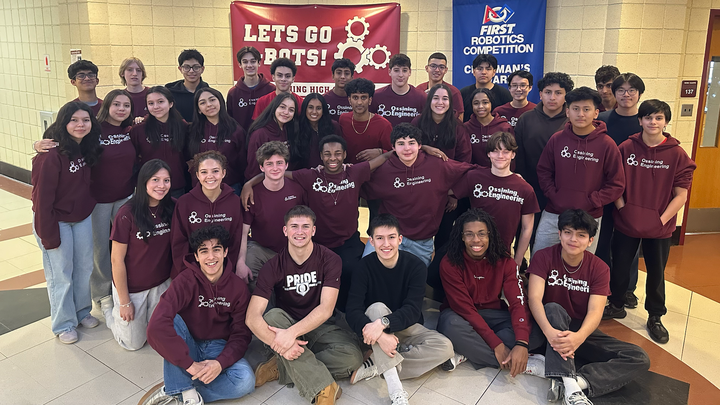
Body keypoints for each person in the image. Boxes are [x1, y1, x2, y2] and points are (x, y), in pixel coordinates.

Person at [240, 135, 392, 310]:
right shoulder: (310, 175)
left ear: (344, 155)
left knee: (351, 270)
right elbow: (274, 173)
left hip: (347, 241)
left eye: (337, 153)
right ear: (321, 156)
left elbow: (383, 158)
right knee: (314, 277)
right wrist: (249, 183)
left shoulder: (354, 172)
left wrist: (396, 150)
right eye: (327, 154)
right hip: (318, 242)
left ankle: (346, 312)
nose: (332, 158)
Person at [527, 209, 650, 405]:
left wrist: (579, 337)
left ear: (590, 240)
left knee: (639, 357)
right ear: (559, 234)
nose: (573, 239)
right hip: (547, 326)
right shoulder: (543, 257)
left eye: (581, 235)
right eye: (568, 232)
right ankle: (570, 387)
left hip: (579, 330)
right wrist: (549, 332)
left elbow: (595, 311)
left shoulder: (600, 268)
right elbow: (534, 299)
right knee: (553, 307)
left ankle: (576, 382)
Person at [245, 206, 363, 404]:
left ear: (313, 230)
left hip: (320, 325)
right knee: (272, 316)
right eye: (294, 226)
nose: (300, 232)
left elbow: (326, 309)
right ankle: (324, 387)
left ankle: (283, 366)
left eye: (305, 226)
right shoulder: (273, 266)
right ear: (285, 230)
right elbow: (252, 317)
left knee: (352, 358)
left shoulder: (330, 259)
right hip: (286, 323)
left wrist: (289, 339)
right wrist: (284, 343)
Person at [603, 100, 696, 345]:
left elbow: (681, 195)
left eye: (658, 118)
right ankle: (616, 303)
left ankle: (655, 316)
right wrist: (623, 210)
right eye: (648, 117)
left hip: (660, 227)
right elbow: (615, 183)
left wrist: (661, 220)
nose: (653, 122)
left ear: (666, 122)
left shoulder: (677, 154)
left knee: (656, 272)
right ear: (640, 121)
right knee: (620, 265)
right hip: (627, 221)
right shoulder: (626, 148)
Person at [33, 91, 138, 305]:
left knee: (125, 246)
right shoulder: (92, 131)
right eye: (116, 104)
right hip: (97, 200)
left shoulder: (130, 130)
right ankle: (101, 295)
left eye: (126, 105)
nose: (121, 109)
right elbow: (59, 140)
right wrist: (37, 144)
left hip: (125, 197)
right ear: (106, 106)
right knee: (99, 251)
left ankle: (124, 287)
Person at [346, 214, 454, 405]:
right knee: (377, 308)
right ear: (371, 241)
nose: (386, 244)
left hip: (403, 325)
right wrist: (381, 335)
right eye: (380, 238)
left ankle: (378, 364)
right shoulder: (363, 267)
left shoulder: (416, 266)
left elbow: (413, 310)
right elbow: (352, 311)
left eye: (391, 237)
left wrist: (384, 323)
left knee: (445, 347)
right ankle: (395, 390)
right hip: (372, 327)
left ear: (400, 239)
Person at [144, 225, 255, 405]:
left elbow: (241, 335)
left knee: (245, 381)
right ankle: (188, 395)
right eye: (204, 251)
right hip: (188, 342)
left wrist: (220, 363)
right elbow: (155, 327)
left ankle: (177, 389)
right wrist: (190, 365)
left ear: (225, 252)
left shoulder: (238, 288)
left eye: (216, 249)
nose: (211, 257)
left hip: (218, 346)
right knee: (170, 321)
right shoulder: (184, 281)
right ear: (196, 256)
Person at [437, 209, 543, 374]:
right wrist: (497, 344)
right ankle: (521, 363)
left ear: (490, 235)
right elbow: (465, 309)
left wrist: (522, 342)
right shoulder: (450, 263)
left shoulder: (505, 261)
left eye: (482, 234)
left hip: (494, 314)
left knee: (535, 330)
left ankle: (467, 352)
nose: (476, 240)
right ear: (462, 237)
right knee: (449, 325)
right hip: (461, 316)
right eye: (469, 234)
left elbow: (518, 302)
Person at [31, 101, 103, 344]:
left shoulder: (86, 147)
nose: (80, 125)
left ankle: (81, 311)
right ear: (63, 123)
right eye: (74, 120)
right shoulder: (50, 155)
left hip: (79, 217)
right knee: (61, 273)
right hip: (55, 220)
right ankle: (63, 323)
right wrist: (48, 235)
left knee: (84, 268)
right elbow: (41, 200)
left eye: (85, 120)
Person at [361, 123, 475, 266]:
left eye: (411, 143)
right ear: (393, 147)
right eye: (401, 144)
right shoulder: (383, 170)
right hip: (387, 235)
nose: (407, 148)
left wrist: (452, 192)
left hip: (421, 242)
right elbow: (355, 182)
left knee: (415, 278)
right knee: (367, 271)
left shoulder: (437, 164)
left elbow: (471, 172)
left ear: (420, 145)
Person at [534, 87, 624, 255]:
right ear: (568, 112)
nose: (580, 114)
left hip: (589, 216)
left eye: (586, 109)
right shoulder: (557, 139)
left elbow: (616, 184)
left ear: (596, 113)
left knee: (582, 265)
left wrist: (593, 201)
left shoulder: (607, 144)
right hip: (555, 212)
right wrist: (555, 196)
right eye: (575, 109)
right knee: (541, 257)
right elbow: (544, 171)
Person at [101, 159, 174, 351]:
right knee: (133, 344)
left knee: (157, 335)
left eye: (166, 180)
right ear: (144, 182)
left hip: (162, 284)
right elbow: (116, 260)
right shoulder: (127, 213)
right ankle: (110, 311)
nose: (161, 185)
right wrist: (125, 302)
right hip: (133, 288)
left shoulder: (173, 207)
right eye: (155, 180)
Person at [595, 73, 645, 308]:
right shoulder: (602, 120)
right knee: (601, 241)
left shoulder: (645, 122)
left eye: (631, 90)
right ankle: (603, 286)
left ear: (639, 94)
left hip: (633, 193)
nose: (626, 95)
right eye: (621, 90)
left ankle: (627, 289)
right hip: (604, 191)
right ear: (614, 93)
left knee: (630, 244)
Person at [454, 132, 539, 265]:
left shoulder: (525, 189)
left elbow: (527, 228)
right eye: (495, 151)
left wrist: (517, 260)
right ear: (488, 154)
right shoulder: (474, 177)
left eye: (506, 152)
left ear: (513, 154)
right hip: (472, 251)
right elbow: (446, 189)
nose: (500, 156)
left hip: (501, 255)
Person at [514, 72, 573, 250]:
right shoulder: (526, 119)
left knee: (559, 239)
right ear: (540, 94)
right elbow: (518, 156)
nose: (552, 97)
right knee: (527, 234)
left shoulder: (572, 121)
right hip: (531, 189)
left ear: (566, 96)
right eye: (548, 92)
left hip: (563, 192)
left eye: (558, 93)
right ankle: (522, 265)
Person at [238, 142, 307, 291]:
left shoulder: (297, 189)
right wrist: (240, 262)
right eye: (269, 164)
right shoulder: (251, 194)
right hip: (261, 249)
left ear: (286, 165)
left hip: (292, 248)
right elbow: (243, 232)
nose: (275, 168)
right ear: (261, 167)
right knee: (250, 266)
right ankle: (264, 305)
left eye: (279, 163)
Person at [411, 83, 472, 251]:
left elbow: (464, 162)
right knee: (418, 234)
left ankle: (438, 266)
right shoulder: (418, 122)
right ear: (429, 100)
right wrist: (424, 147)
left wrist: (455, 195)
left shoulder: (458, 127)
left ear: (450, 103)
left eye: (445, 99)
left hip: (447, 192)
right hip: (420, 189)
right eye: (436, 98)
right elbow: (405, 148)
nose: (440, 102)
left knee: (444, 235)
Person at [171, 151, 244, 279]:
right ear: (197, 175)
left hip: (223, 272)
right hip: (190, 273)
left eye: (215, 171)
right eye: (204, 172)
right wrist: (189, 272)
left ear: (223, 173)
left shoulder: (234, 201)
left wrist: (226, 271)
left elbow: (235, 240)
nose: (210, 176)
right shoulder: (184, 203)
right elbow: (178, 242)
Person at [130, 86, 189, 198]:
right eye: (151, 103)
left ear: (170, 103)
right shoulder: (139, 130)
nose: (156, 106)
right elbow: (134, 159)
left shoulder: (183, 127)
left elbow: (187, 156)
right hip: (149, 188)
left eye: (160, 102)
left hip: (176, 187)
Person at [187, 87, 247, 192]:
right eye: (202, 103)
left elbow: (243, 162)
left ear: (220, 102)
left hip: (231, 187)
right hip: (201, 188)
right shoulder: (192, 131)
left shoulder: (235, 130)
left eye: (212, 100)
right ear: (199, 109)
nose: (209, 104)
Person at [338, 78, 393, 164]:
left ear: (370, 100)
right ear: (349, 100)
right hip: (348, 171)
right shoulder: (343, 119)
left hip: (375, 171)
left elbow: (395, 153)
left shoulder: (384, 125)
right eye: (355, 97)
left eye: (363, 97)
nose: (359, 102)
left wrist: (381, 152)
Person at [245, 92, 299, 179]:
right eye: (282, 107)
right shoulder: (259, 134)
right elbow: (253, 168)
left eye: (291, 110)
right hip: (264, 183)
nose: (286, 112)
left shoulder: (291, 131)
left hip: (286, 182)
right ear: (274, 107)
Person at [227, 46, 276, 130]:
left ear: (259, 63)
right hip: (241, 138)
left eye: (253, 61)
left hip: (265, 137)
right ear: (240, 64)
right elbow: (230, 121)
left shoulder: (271, 90)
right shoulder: (233, 93)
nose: (249, 65)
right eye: (245, 62)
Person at [370, 54, 426, 127]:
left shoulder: (421, 97)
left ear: (410, 72)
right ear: (389, 72)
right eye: (396, 70)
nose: (400, 75)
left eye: (404, 70)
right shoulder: (376, 97)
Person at [462, 88, 513, 167]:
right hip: (474, 173)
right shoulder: (466, 128)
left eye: (485, 102)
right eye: (476, 103)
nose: (480, 106)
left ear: (491, 103)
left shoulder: (505, 127)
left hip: (500, 173)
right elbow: (463, 157)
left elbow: (511, 156)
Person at [294, 93, 342, 170]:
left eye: (318, 108)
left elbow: (340, 152)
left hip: (329, 171)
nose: (314, 112)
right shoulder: (296, 127)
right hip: (303, 173)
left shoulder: (333, 126)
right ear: (305, 108)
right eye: (310, 107)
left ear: (323, 110)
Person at [460, 54, 512, 123]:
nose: (484, 72)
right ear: (474, 71)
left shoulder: (504, 94)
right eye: (480, 69)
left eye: (488, 69)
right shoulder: (463, 93)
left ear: (494, 72)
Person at [416, 52, 465, 120]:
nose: (437, 70)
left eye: (441, 67)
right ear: (427, 68)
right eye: (433, 66)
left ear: (446, 70)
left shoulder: (454, 92)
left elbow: (460, 119)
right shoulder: (419, 90)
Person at [166, 49, 209, 122]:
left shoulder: (210, 93)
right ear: (180, 69)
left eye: (196, 67)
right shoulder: (169, 93)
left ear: (202, 69)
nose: (191, 71)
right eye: (186, 67)